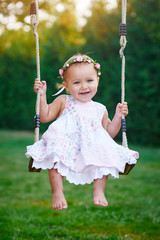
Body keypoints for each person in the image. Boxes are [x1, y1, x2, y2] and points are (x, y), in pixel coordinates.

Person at [26, 54, 139, 211]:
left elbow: (109, 133)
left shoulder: (100, 108)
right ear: (66, 86)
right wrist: (42, 95)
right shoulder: (63, 101)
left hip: (91, 146)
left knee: (104, 155)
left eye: (89, 81)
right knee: (54, 157)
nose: (84, 86)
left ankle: (99, 191)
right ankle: (57, 192)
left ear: (97, 81)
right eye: (77, 82)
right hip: (66, 142)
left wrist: (118, 117)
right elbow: (44, 116)